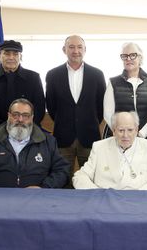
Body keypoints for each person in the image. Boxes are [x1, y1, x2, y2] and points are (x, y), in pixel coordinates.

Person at [0, 98, 70, 188]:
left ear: (32, 117)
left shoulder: (48, 142)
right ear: (9, 115)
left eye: (25, 115)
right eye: (16, 115)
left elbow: (62, 171)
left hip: (38, 199)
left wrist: (43, 188)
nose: (20, 120)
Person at [45, 35, 106, 183]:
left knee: (91, 180)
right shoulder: (53, 75)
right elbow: (51, 106)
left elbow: (101, 106)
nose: (75, 51)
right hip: (63, 138)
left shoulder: (97, 74)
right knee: (63, 180)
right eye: (71, 47)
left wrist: (89, 121)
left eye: (79, 47)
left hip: (90, 136)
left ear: (85, 50)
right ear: (64, 49)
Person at [73, 111, 147, 190]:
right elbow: (79, 177)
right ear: (113, 131)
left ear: (136, 129)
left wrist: (141, 193)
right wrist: (97, 193)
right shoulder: (99, 147)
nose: (125, 135)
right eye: (121, 130)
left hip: (137, 202)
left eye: (130, 130)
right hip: (105, 201)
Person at [103, 42, 147, 152]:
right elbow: (108, 114)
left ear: (140, 58)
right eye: (124, 56)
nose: (128, 59)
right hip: (119, 141)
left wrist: (140, 134)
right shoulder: (113, 82)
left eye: (132, 55)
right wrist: (122, 134)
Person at [0, 40, 45, 137]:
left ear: (20, 57)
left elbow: (39, 108)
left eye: (15, 54)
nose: (11, 57)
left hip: (26, 133)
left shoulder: (33, 78)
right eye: (6, 54)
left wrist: (22, 126)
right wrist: (3, 128)